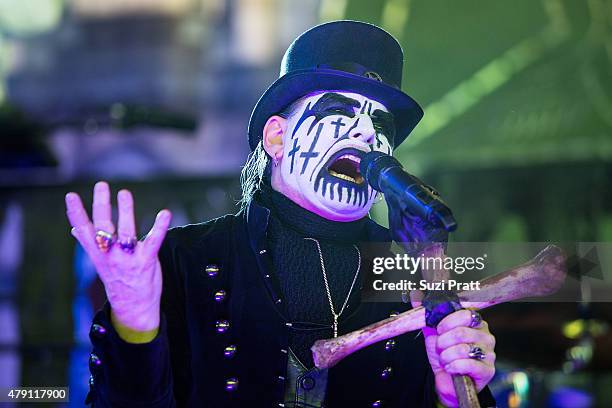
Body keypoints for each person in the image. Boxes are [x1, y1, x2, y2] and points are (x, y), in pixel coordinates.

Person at [65, 21, 497, 407]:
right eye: (338, 111)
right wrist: (136, 329)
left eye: (382, 127)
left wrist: (451, 397)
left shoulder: (414, 274)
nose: (367, 133)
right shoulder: (184, 261)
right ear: (277, 136)